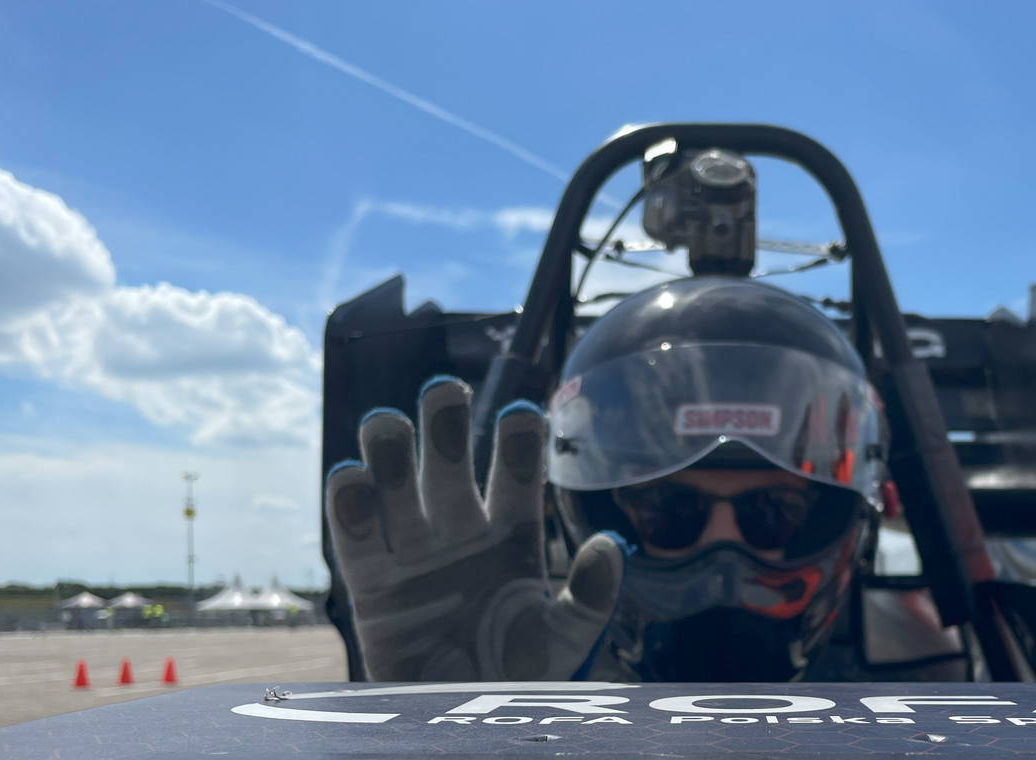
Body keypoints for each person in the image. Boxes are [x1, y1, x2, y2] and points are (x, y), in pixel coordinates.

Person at [325, 276, 972, 683]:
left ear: (841, 519)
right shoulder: (523, 663)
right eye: (668, 509)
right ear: (595, 516)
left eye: (774, 511)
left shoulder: (930, 667)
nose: (723, 557)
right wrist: (454, 730)